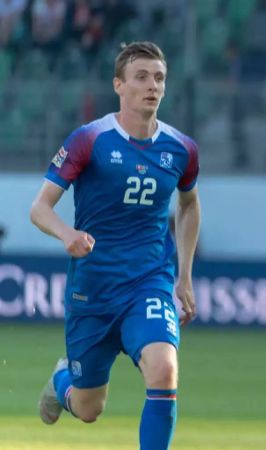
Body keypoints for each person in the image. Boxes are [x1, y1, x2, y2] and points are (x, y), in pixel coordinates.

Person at [32, 41, 200, 450]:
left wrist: (184, 277)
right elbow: (40, 208)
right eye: (141, 77)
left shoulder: (181, 149)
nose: (152, 86)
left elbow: (190, 205)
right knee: (90, 408)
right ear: (119, 85)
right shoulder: (90, 139)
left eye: (159, 78)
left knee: (164, 369)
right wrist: (67, 234)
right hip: (93, 288)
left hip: (148, 283)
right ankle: (61, 381)